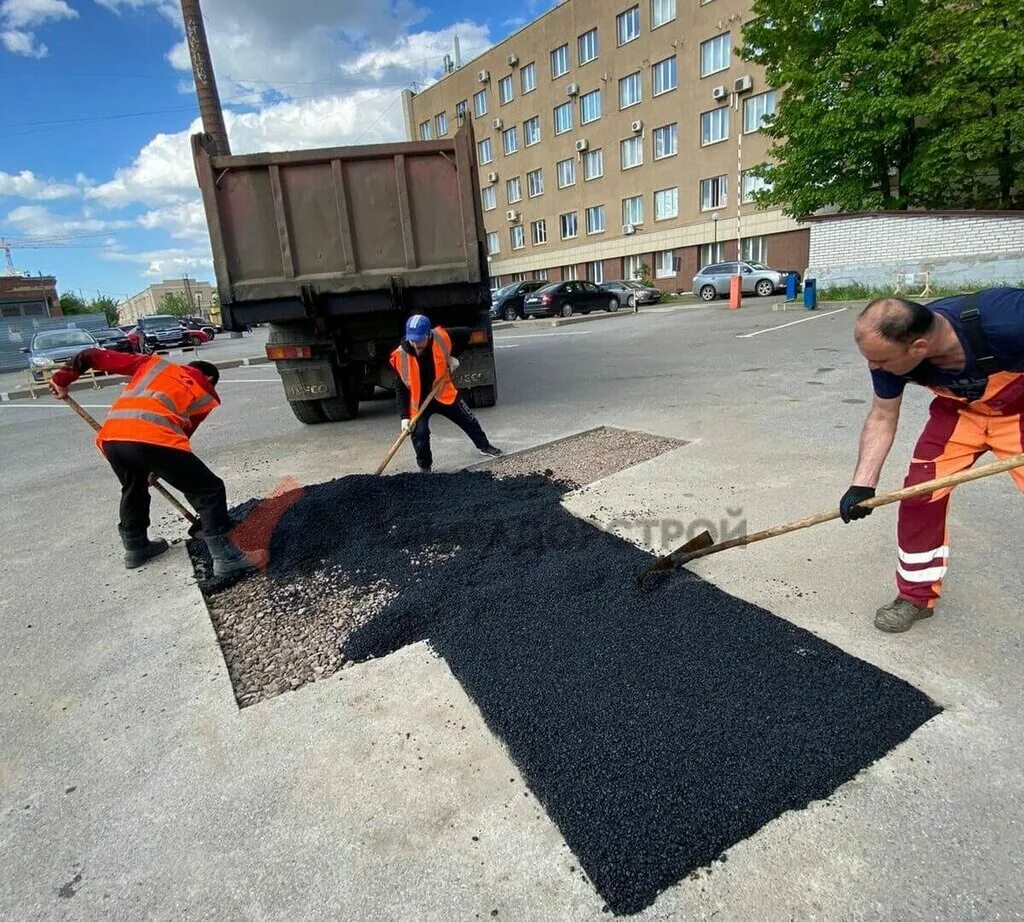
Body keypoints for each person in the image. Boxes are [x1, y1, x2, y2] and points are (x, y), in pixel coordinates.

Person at [840, 287, 1024, 632]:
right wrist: (862, 486)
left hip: (1019, 412)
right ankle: (915, 596)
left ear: (919, 348)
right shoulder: (888, 355)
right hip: (959, 413)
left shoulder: (1008, 318)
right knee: (919, 497)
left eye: (880, 361)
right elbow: (882, 416)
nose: (873, 367)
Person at [48, 348, 255, 576]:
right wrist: (160, 464)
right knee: (208, 489)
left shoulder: (155, 365)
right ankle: (227, 558)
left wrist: (61, 379)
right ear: (210, 379)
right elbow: (184, 433)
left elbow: (89, 355)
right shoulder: (204, 390)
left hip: (113, 438)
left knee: (133, 487)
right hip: (153, 440)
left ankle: (136, 547)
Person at [389, 314, 502, 472]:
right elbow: (400, 389)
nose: (416, 344)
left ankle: (484, 446)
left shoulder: (441, 337)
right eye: (412, 340)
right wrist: (404, 417)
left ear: (429, 334)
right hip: (420, 403)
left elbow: (466, 332)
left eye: (420, 340)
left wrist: (453, 357)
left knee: (468, 419)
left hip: (444, 393)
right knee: (419, 435)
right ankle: (425, 466)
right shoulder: (400, 356)